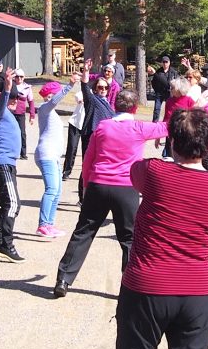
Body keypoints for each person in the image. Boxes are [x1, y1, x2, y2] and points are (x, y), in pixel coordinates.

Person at [114, 108, 208, 349]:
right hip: (198, 291)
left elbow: (133, 170)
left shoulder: (152, 172)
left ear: (172, 142)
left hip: (146, 285)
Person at [54, 89, 169, 298]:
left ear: (115, 105)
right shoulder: (139, 127)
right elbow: (167, 127)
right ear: (135, 108)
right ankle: (130, 286)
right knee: (129, 238)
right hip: (126, 187)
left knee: (83, 232)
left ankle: (63, 279)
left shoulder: (103, 126)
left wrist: (87, 185)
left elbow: (89, 158)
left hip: (99, 183)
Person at [0, 68, 27, 263]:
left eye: (16, 98)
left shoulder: (10, 114)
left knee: (7, 204)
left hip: (8, 163)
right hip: (1, 162)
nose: (14, 101)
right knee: (13, 204)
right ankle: (6, 245)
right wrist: (6, 88)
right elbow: (0, 105)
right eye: (12, 98)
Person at [34, 80, 76, 237]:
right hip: (46, 155)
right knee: (51, 189)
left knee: (57, 191)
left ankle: (49, 224)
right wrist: (69, 86)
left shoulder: (52, 113)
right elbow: (54, 100)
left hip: (54, 156)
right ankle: (43, 225)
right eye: (55, 93)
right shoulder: (45, 108)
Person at [77, 58, 116, 202]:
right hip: (90, 134)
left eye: (105, 88)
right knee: (87, 166)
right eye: (100, 87)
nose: (103, 90)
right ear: (95, 89)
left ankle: (96, 196)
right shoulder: (91, 99)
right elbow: (84, 85)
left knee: (100, 166)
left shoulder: (108, 105)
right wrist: (86, 70)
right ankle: (83, 198)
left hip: (104, 139)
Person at [157, 77, 195, 158]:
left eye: (172, 88)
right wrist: (158, 136)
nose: (170, 89)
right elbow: (165, 118)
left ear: (179, 89)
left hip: (184, 134)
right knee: (171, 157)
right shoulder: (169, 101)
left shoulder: (189, 101)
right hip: (171, 134)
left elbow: (193, 119)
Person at [62, 72, 85, 181]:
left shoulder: (97, 96)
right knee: (72, 148)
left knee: (87, 151)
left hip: (87, 125)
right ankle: (66, 172)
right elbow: (78, 97)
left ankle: (85, 174)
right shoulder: (83, 92)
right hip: (76, 123)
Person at [12, 69, 35, 160]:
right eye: (17, 76)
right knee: (11, 133)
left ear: (24, 77)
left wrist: (32, 115)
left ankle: (23, 153)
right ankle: (12, 152)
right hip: (11, 113)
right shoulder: (11, 85)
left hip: (21, 113)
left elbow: (31, 102)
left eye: (21, 77)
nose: (19, 78)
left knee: (22, 133)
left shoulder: (27, 88)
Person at [150, 56, 178, 121]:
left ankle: (168, 122)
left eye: (166, 62)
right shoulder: (158, 71)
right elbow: (153, 82)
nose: (165, 63)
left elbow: (170, 84)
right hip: (160, 93)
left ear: (169, 63)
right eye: (163, 62)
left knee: (170, 108)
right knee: (157, 109)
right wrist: (156, 90)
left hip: (169, 93)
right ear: (162, 63)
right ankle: (155, 123)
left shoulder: (173, 72)